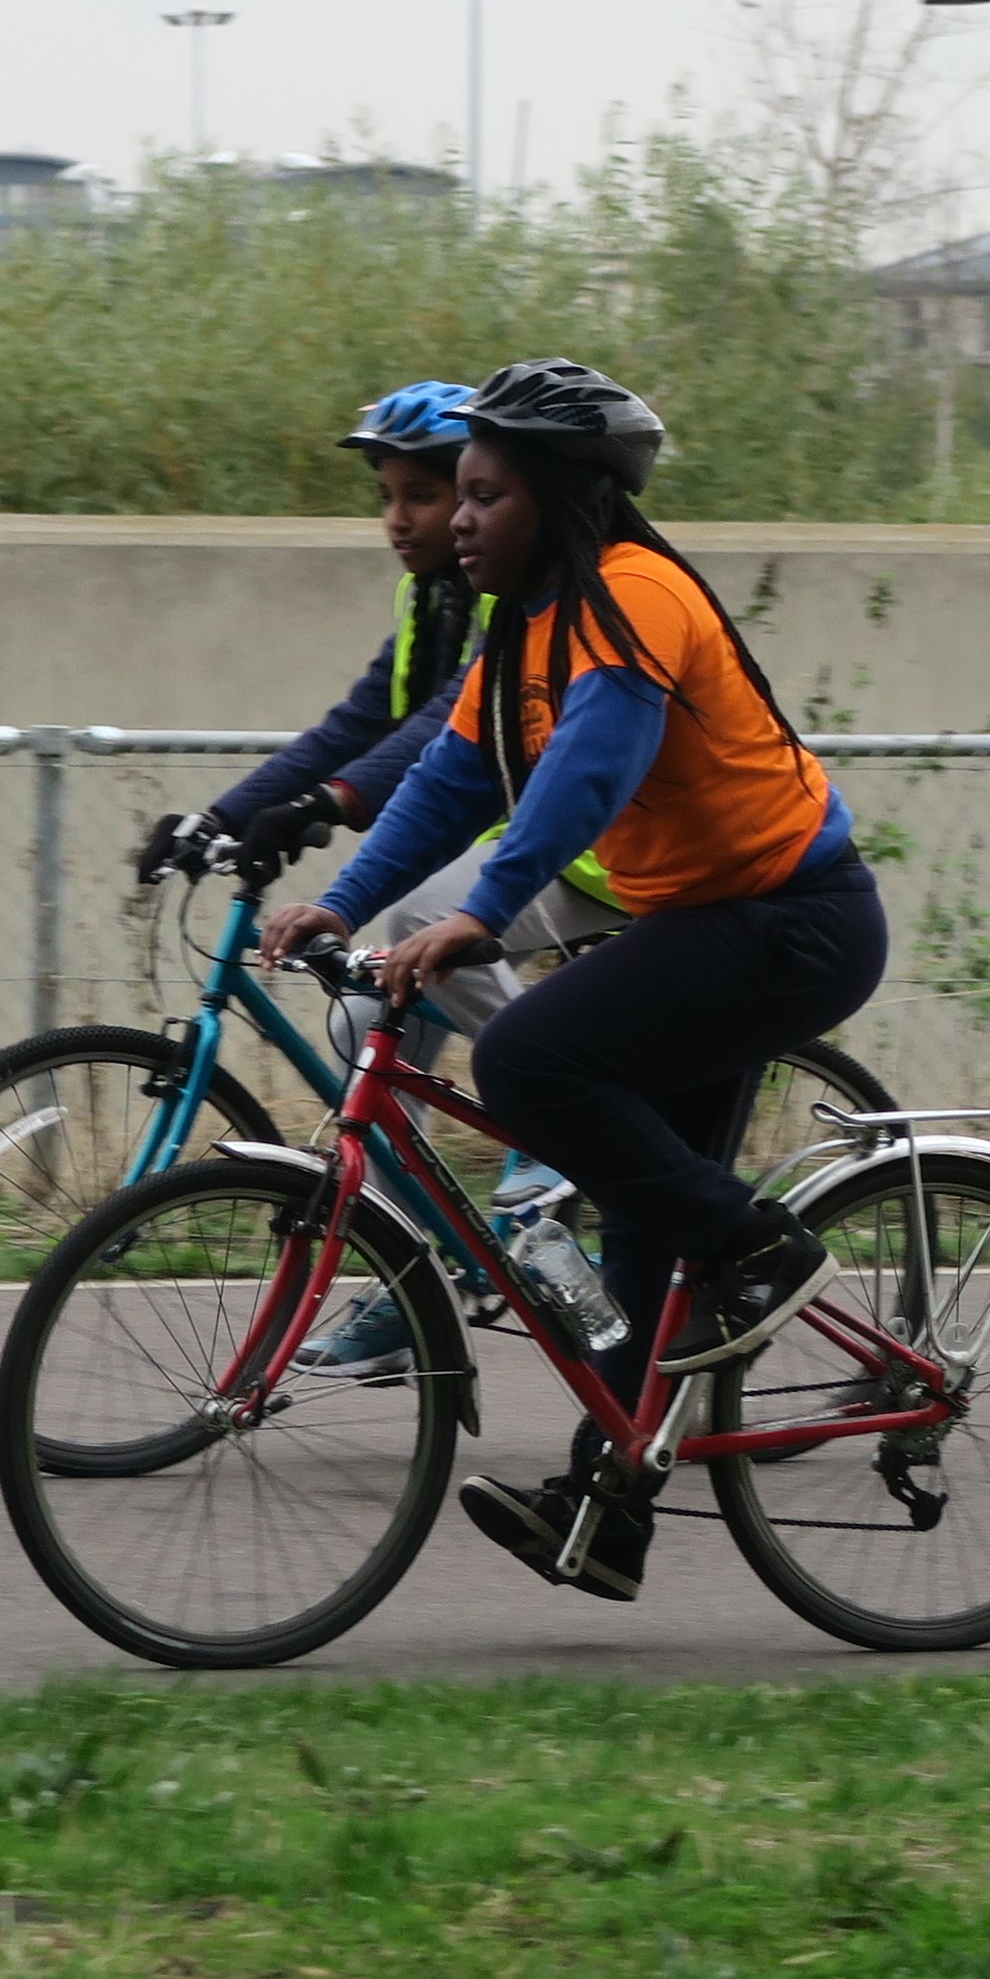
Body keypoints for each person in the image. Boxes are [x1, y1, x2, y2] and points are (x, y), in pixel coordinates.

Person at [260, 359, 884, 1603]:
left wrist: (480, 914)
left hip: (791, 918)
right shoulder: (527, 623)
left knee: (527, 1058)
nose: (457, 518)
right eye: (456, 494)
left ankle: (762, 1251)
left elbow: (587, 774)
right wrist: (343, 898)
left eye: (484, 495)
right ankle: (610, 1512)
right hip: (703, 922)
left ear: (559, 496)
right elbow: (451, 776)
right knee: (642, 1230)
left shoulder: (636, 597)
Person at [143, 381, 620, 1379]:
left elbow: (441, 733)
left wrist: (326, 803)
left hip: (585, 853)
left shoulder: (514, 596)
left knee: (420, 913)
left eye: (426, 495)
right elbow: (359, 723)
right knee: (357, 1025)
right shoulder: (428, 598)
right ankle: (420, 1280)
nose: (400, 519)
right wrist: (221, 816)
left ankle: (556, 1122)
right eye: (387, 496)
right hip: (500, 853)